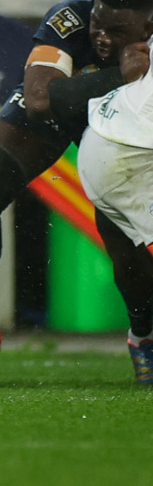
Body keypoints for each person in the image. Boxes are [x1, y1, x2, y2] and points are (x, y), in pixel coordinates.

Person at [0, 0, 153, 383]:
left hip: (121, 138)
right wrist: (118, 74)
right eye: (98, 23)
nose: (102, 37)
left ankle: (142, 336)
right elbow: (40, 99)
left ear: (147, 27)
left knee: (128, 253)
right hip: (62, 111)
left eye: (116, 30)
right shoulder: (70, 19)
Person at [77, 42, 153, 385]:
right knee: (132, 262)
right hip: (125, 156)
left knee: (130, 260)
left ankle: (142, 337)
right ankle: (142, 338)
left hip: (117, 146)